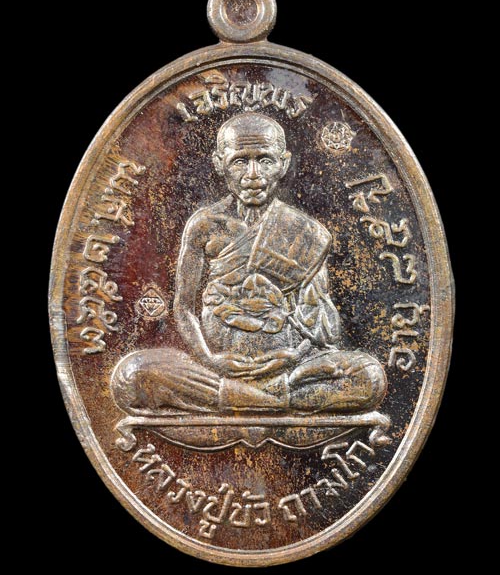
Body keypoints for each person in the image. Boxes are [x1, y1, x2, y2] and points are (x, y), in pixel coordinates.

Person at [112, 113, 386, 415]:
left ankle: (235, 398)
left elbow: (319, 322)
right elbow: (184, 307)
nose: (253, 174)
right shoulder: (204, 225)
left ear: (283, 164)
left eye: (265, 161)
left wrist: (293, 356)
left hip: (289, 367)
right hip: (216, 369)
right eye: (240, 161)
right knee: (132, 376)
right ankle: (273, 399)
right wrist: (208, 358)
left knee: (368, 376)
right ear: (219, 163)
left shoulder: (307, 233)